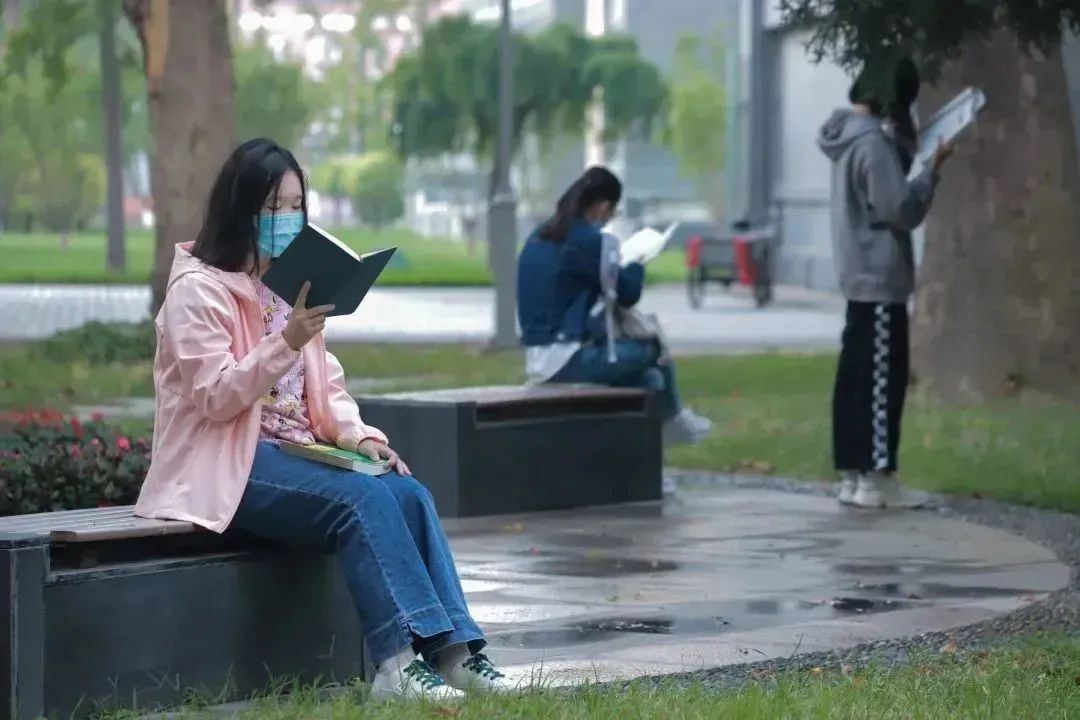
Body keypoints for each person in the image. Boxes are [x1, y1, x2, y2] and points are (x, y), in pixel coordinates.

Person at [134, 138, 511, 701]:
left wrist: (359, 437)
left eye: (295, 206)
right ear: (239, 208)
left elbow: (324, 385)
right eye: (272, 206)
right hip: (223, 462)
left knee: (408, 494)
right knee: (360, 501)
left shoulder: (290, 284)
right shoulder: (198, 290)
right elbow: (215, 397)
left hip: (296, 451)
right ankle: (396, 666)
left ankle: (454, 653)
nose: (285, 218)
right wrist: (284, 342)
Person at [817, 58, 954, 509]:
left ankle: (854, 476)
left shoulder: (848, 136)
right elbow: (900, 210)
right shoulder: (872, 144)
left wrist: (909, 148)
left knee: (855, 379)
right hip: (879, 277)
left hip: (858, 275)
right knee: (881, 382)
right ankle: (877, 478)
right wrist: (931, 174)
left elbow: (883, 186)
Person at [516, 166, 712, 450]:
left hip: (538, 357)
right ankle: (674, 421)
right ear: (603, 207)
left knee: (650, 379)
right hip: (566, 360)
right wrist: (637, 260)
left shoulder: (540, 235)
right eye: (612, 213)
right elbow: (628, 293)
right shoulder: (587, 240)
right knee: (653, 348)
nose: (609, 219)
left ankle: (640, 462)